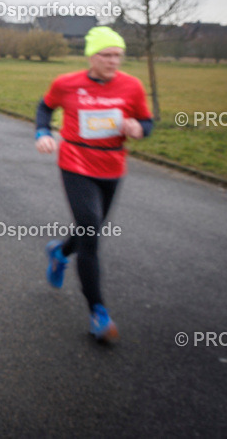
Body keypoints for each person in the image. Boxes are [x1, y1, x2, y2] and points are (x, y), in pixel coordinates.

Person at [35, 26, 153, 343]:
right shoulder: (66, 84)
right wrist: (42, 133)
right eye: (107, 55)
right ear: (92, 56)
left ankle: (59, 252)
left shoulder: (132, 86)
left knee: (92, 227)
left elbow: (147, 121)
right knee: (90, 231)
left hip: (113, 166)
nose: (114, 61)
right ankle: (98, 313)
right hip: (75, 163)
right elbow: (45, 107)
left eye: (118, 55)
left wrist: (139, 129)